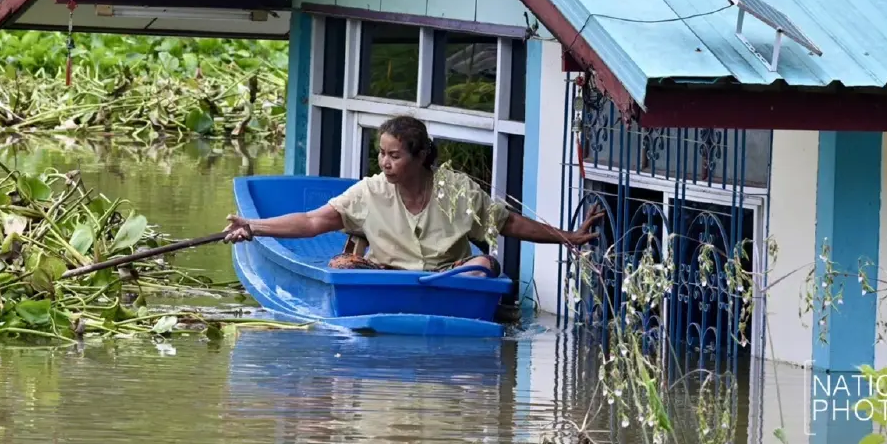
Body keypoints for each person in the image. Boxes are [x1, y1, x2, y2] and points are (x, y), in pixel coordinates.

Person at [223, 115, 604, 276]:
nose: (385, 163)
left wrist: (566, 238)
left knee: (485, 266)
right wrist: (253, 226)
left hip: (447, 280)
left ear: (421, 156)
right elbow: (311, 221)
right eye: (381, 155)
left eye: (394, 155)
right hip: (387, 277)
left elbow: (509, 223)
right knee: (344, 265)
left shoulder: (457, 190)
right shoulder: (368, 192)